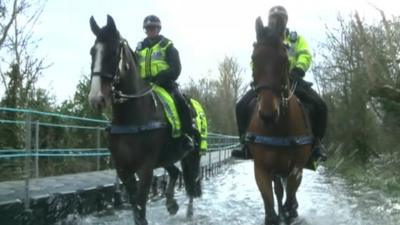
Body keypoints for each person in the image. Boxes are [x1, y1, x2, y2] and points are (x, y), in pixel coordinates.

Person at [232, 6, 327, 162]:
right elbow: (255, 61)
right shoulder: (263, 40)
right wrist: (261, 75)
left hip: (293, 78)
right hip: (268, 81)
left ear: (285, 21)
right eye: (273, 18)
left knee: (320, 105)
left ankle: (316, 144)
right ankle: (244, 143)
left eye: (280, 18)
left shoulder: (296, 39)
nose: (276, 21)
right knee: (241, 105)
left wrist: (299, 69)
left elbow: (305, 55)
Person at [136, 15, 195, 150]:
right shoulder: (139, 48)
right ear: (145, 30)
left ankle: (186, 135)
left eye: (153, 28)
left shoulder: (167, 46)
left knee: (181, 102)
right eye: (148, 29)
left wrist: (163, 76)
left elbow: (176, 68)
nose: (151, 31)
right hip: (144, 86)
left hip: (165, 84)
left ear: (158, 29)